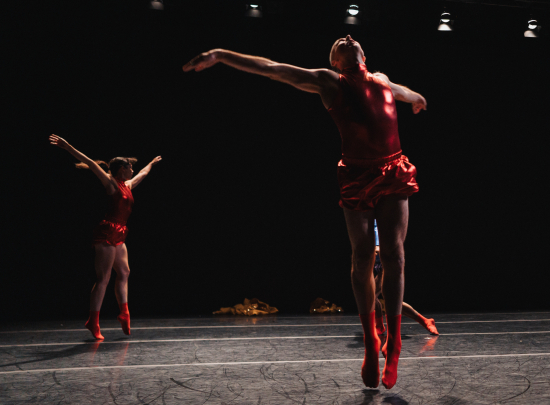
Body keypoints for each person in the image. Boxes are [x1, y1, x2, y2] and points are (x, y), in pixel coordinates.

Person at [183, 35, 427, 389]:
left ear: (363, 53)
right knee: (361, 256)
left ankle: (395, 344)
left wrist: (416, 97)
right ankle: (371, 340)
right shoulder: (328, 81)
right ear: (335, 61)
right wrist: (221, 54)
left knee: (395, 256)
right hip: (357, 175)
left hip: (393, 169)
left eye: (350, 38)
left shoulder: (383, 79)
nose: (346, 37)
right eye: (337, 43)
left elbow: (401, 91)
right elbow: (272, 69)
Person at [49, 135, 162, 340]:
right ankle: (93, 321)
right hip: (107, 233)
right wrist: (67, 147)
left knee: (125, 272)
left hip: (120, 232)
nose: (132, 170)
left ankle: (124, 313)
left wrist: (151, 164)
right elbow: (92, 164)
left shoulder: (127, 185)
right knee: (104, 278)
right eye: (129, 167)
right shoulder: (111, 184)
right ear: (121, 169)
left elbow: (143, 173)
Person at [372, 220, 438, 336]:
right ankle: (425, 321)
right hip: (374, 263)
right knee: (375, 297)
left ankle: (379, 325)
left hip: (386, 261)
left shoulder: (375, 223)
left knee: (380, 296)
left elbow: (378, 249)